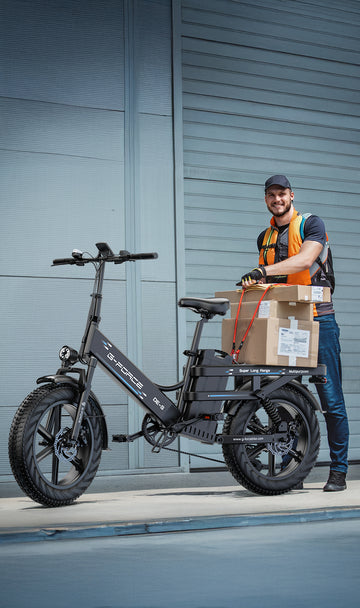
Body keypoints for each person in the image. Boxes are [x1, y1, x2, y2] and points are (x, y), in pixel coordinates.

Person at [240, 174, 349, 492]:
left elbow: (304, 259)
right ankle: (293, 470)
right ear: (266, 199)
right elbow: (271, 284)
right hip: (285, 324)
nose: (277, 199)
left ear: (292, 195)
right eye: (271, 195)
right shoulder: (265, 236)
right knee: (285, 398)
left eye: (282, 193)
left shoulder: (311, 224)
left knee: (330, 400)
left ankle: (339, 472)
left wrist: (262, 271)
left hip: (318, 321)